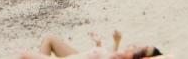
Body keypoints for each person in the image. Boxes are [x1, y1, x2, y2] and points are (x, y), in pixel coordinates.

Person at [16, 30, 162, 59]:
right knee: (50, 38)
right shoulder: (120, 55)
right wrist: (99, 43)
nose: (135, 45)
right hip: (83, 55)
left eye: (138, 48)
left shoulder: (121, 56)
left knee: (24, 54)